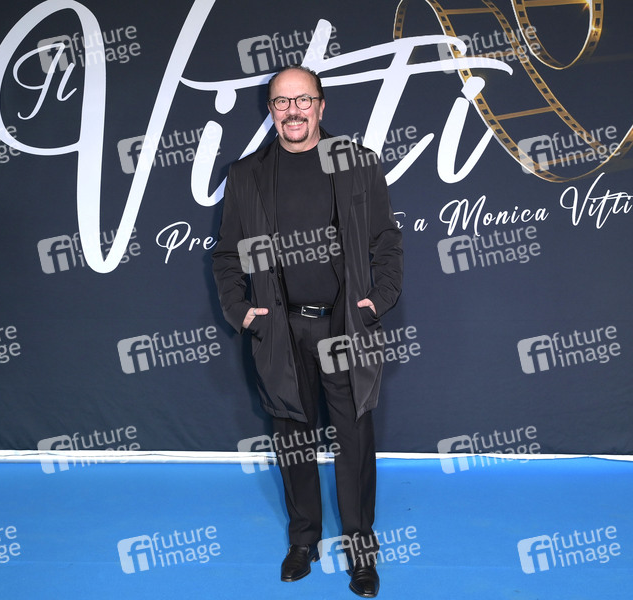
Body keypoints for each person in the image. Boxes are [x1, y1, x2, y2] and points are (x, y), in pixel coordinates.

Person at [212, 64, 403, 598]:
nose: (293, 111)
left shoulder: (359, 164)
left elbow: (387, 240)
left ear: (320, 105)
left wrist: (378, 300)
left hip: (344, 324)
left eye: (303, 100)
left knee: (354, 439)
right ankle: (303, 541)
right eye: (281, 101)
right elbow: (226, 254)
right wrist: (242, 311)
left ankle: (361, 550)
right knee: (292, 439)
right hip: (280, 328)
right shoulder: (245, 175)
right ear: (270, 110)